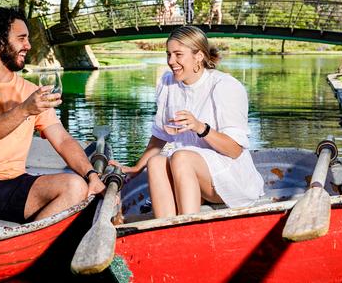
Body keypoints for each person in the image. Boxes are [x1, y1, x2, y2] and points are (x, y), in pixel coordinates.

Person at [0, 7, 105, 233]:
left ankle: (21, 242)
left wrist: (91, 175)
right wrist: (25, 109)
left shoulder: (30, 90)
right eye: (21, 38)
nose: (28, 45)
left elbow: (62, 140)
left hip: (12, 183)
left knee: (75, 186)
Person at [111, 26, 264, 217]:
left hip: (229, 179)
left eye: (177, 55)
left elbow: (234, 150)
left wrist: (201, 128)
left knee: (181, 156)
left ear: (198, 56)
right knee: (156, 162)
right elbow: (160, 137)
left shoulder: (225, 86)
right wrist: (136, 167)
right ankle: (166, 227)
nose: (170, 61)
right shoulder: (168, 83)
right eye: (168, 54)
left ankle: (187, 225)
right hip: (187, 175)